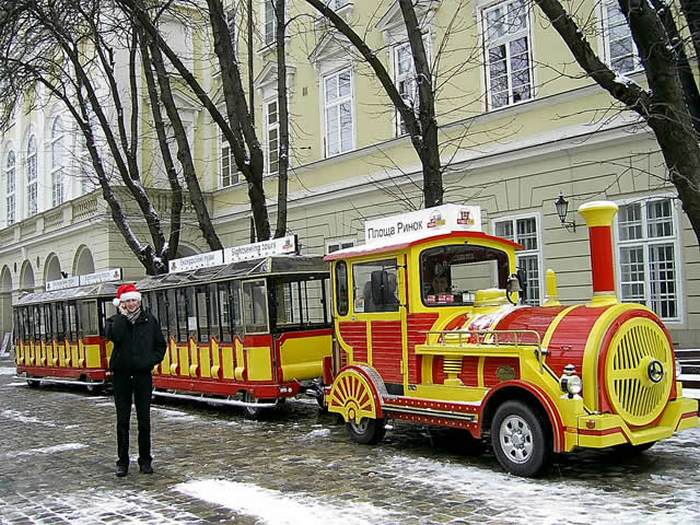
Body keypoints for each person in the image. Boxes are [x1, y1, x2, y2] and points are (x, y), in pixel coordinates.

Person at [105, 283, 166, 477]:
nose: (131, 304)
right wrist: (123, 317)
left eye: (134, 300)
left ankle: (145, 460)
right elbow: (116, 337)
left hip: (142, 375)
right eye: (127, 301)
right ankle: (122, 461)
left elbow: (160, 345)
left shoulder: (150, 320)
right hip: (121, 375)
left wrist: (150, 361)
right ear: (121, 303)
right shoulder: (114, 321)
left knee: (144, 421)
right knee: (122, 420)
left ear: (138, 301)